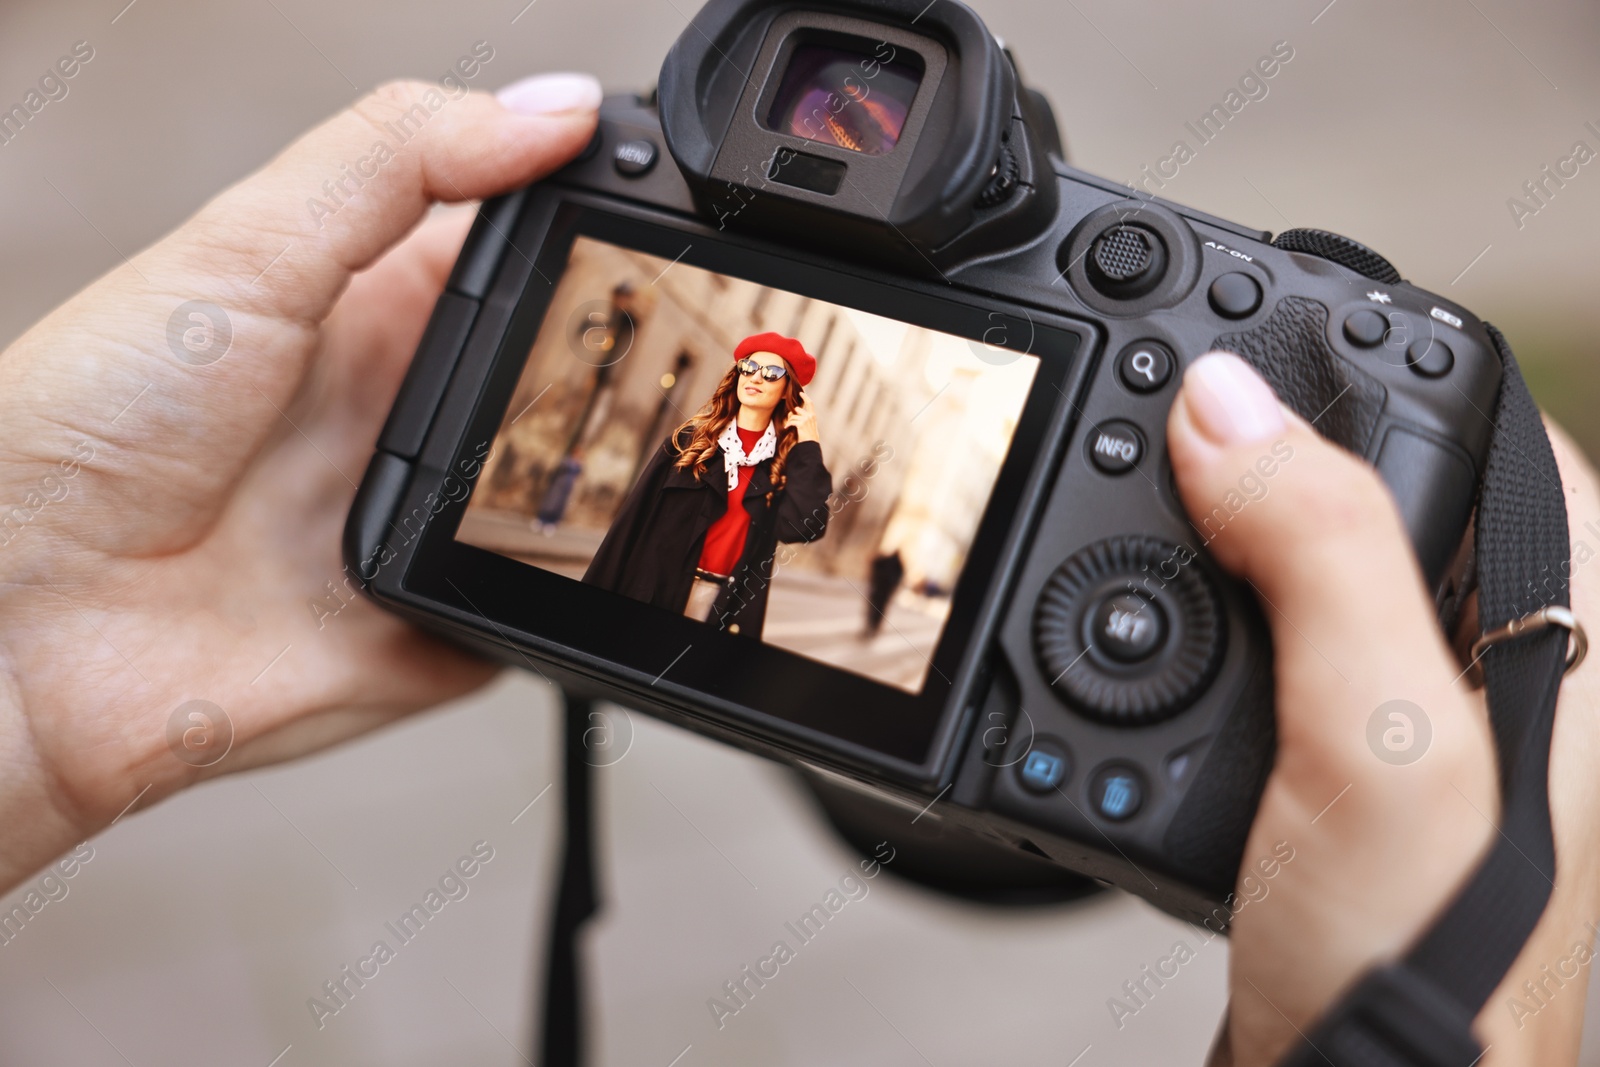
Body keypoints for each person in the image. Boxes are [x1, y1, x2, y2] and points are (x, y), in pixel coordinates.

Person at [0, 71, 1594, 1066]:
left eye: (770, 382)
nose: (759, 394)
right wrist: (1479, 984)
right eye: (755, 378)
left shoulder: (800, 441)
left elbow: (823, 501)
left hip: (758, 583)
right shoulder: (700, 425)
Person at [583, 333, 832, 637]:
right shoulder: (687, 443)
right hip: (653, 593)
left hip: (724, 610)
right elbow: (629, 525)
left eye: (772, 372)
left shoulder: (782, 466)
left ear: (787, 390)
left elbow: (802, 528)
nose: (756, 377)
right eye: (749, 367)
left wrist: (809, 445)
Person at [865, 548, 905, 637]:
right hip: (885, 591)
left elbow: (875, 564)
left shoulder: (887, 561)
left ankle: (871, 625)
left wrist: (875, 579)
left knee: (874, 607)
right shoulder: (898, 565)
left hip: (879, 588)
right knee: (879, 609)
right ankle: (873, 625)